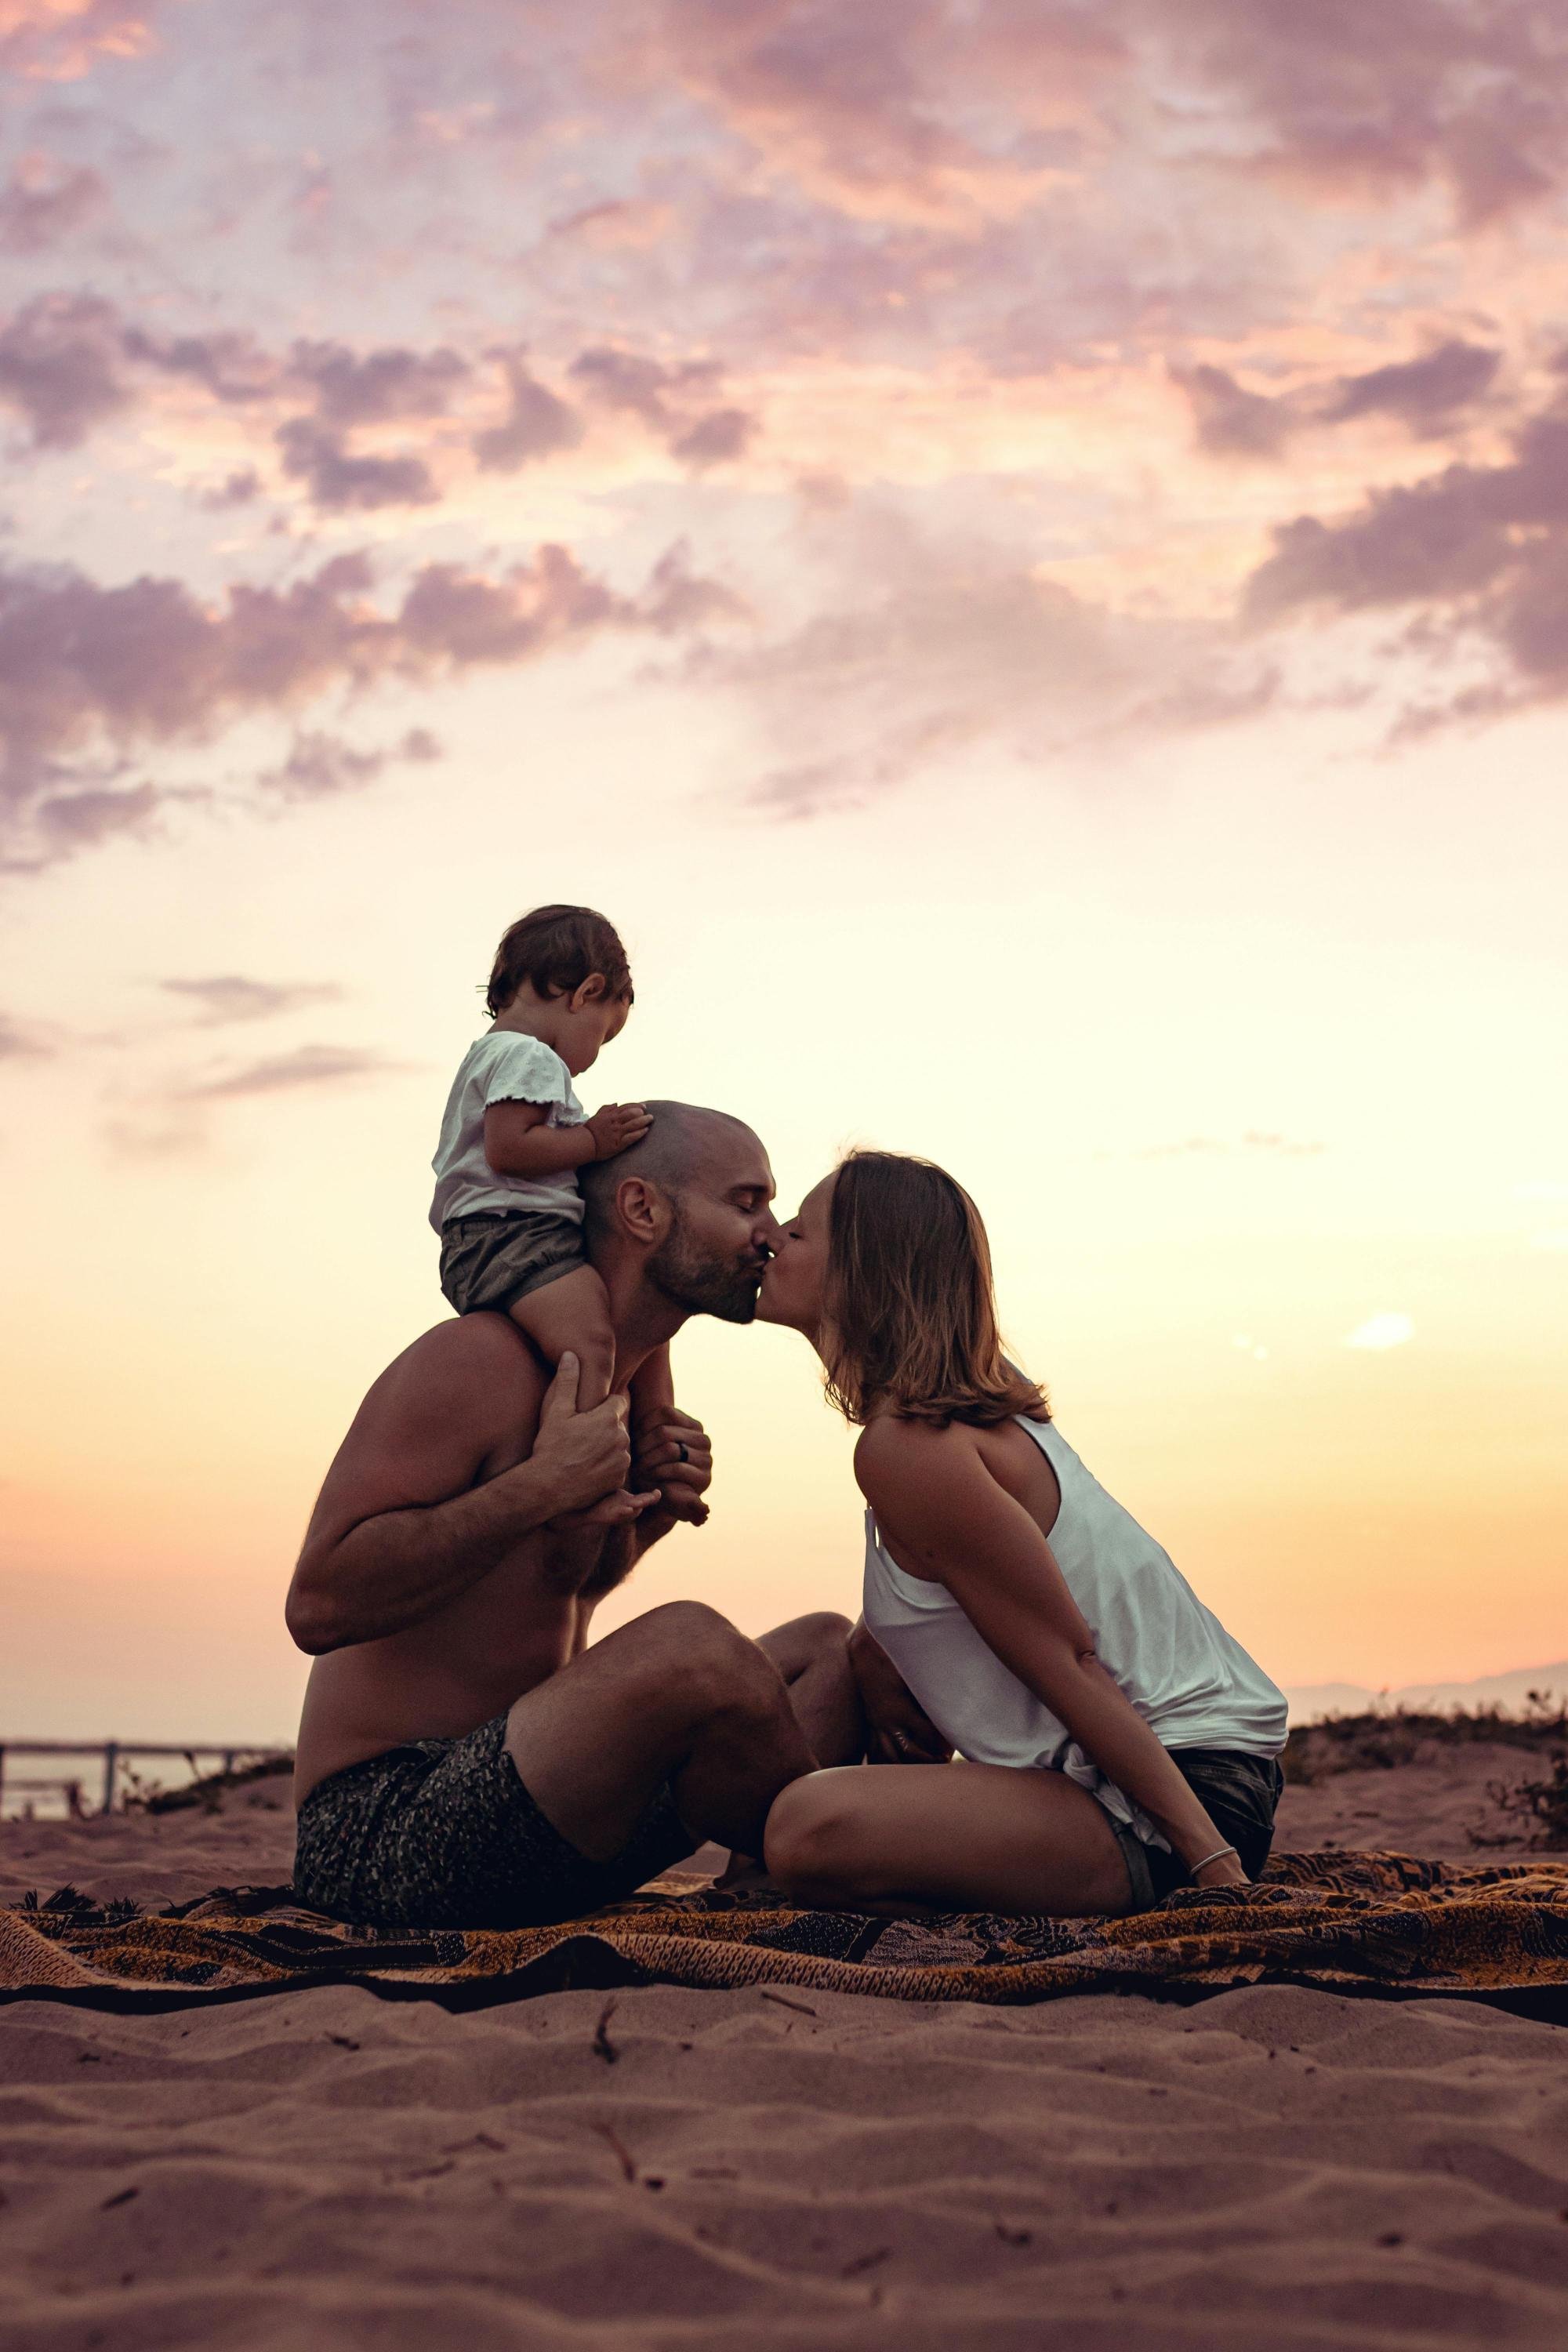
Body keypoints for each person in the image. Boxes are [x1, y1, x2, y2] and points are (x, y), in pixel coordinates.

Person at [288, 1103, 858, 1930]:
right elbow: (318, 1605)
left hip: (533, 1796)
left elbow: (554, 1601)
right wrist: (539, 1487)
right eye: (746, 1203)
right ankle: (847, 1843)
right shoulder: (476, 1359)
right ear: (641, 1210)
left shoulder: (622, 1389)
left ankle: (756, 1894)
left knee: (826, 1649)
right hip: (383, 1829)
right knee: (693, 1644)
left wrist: (639, 1523)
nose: (769, 1234)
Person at [757, 1150, 1288, 1917]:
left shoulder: (911, 1449)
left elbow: (1069, 1660)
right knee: (832, 1649)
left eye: (799, 1231)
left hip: (1165, 1798)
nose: (771, 1239)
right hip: (1155, 1780)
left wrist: (1212, 1868)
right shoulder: (949, 1418)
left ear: (862, 1269)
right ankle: (750, 1886)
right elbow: (941, 1610)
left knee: (805, 1827)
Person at [430, 903, 675, 1436]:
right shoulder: (532, 1057)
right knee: (593, 1340)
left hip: (483, 1239)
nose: (593, 1057)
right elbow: (510, 1149)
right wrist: (592, 1139)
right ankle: (575, 1461)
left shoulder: (490, 1054)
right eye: (604, 1034)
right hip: (515, 1234)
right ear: (586, 993)